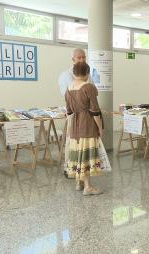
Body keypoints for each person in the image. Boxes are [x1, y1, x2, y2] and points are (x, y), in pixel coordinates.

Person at [65, 62, 103, 196]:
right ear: (87, 73)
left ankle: (78, 182)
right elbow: (94, 111)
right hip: (87, 124)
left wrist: (69, 128)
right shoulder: (89, 87)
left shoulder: (68, 88)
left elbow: (69, 111)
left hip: (74, 126)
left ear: (74, 73)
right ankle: (88, 187)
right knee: (86, 155)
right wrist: (100, 127)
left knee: (78, 153)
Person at [59, 48, 94, 178]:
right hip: (74, 113)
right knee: (71, 140)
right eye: (79, 58)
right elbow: (73, 95)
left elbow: (93, 91)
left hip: (87, 114)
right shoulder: (66, 75)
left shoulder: (88, 74)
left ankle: (82, 169)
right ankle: (69, 169)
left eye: (83, 57)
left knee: (84, 142)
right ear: (73, 59)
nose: (82, 60)